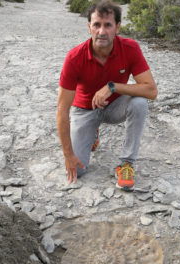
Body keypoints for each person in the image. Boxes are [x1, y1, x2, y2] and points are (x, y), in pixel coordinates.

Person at [56, 0, 157, 191]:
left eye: (108, 25)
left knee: (140, 103)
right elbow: (62, 109)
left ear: (117, 27)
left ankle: (126, 164)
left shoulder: (130, 48)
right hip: (84, 110)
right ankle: (92, 134)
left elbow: (151, 91)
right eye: (97, 25)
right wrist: (68, 155)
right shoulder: (74, 58)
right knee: (79, 170)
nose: (102, 31)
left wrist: (112, 87)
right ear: (89, 27)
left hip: (114, 106)